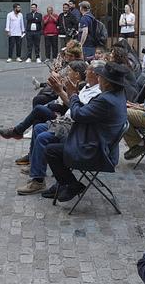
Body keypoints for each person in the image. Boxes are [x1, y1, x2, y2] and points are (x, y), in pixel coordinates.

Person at [42, 60, 130, 202]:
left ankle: (71, 184)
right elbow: (85, 111)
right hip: (100, 142)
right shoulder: (117, 95)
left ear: (107, 82)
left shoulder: (106, 100)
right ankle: (63, 184)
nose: (98, 79)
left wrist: (73, 94)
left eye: (100, 77)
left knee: (51, 150)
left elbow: (78, 115)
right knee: (59, 138)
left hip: (96, 150)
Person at [13, 61, 92, 195]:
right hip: (67, 121)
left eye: (90, 72)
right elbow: (73, 105)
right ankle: (36, 172)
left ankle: (43, 179)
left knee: (42, 126)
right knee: (38, 125)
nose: (87, 73)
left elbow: (78, 111)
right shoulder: (87, 87)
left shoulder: (95, 92)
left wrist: (63, 91)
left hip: (76, 130)